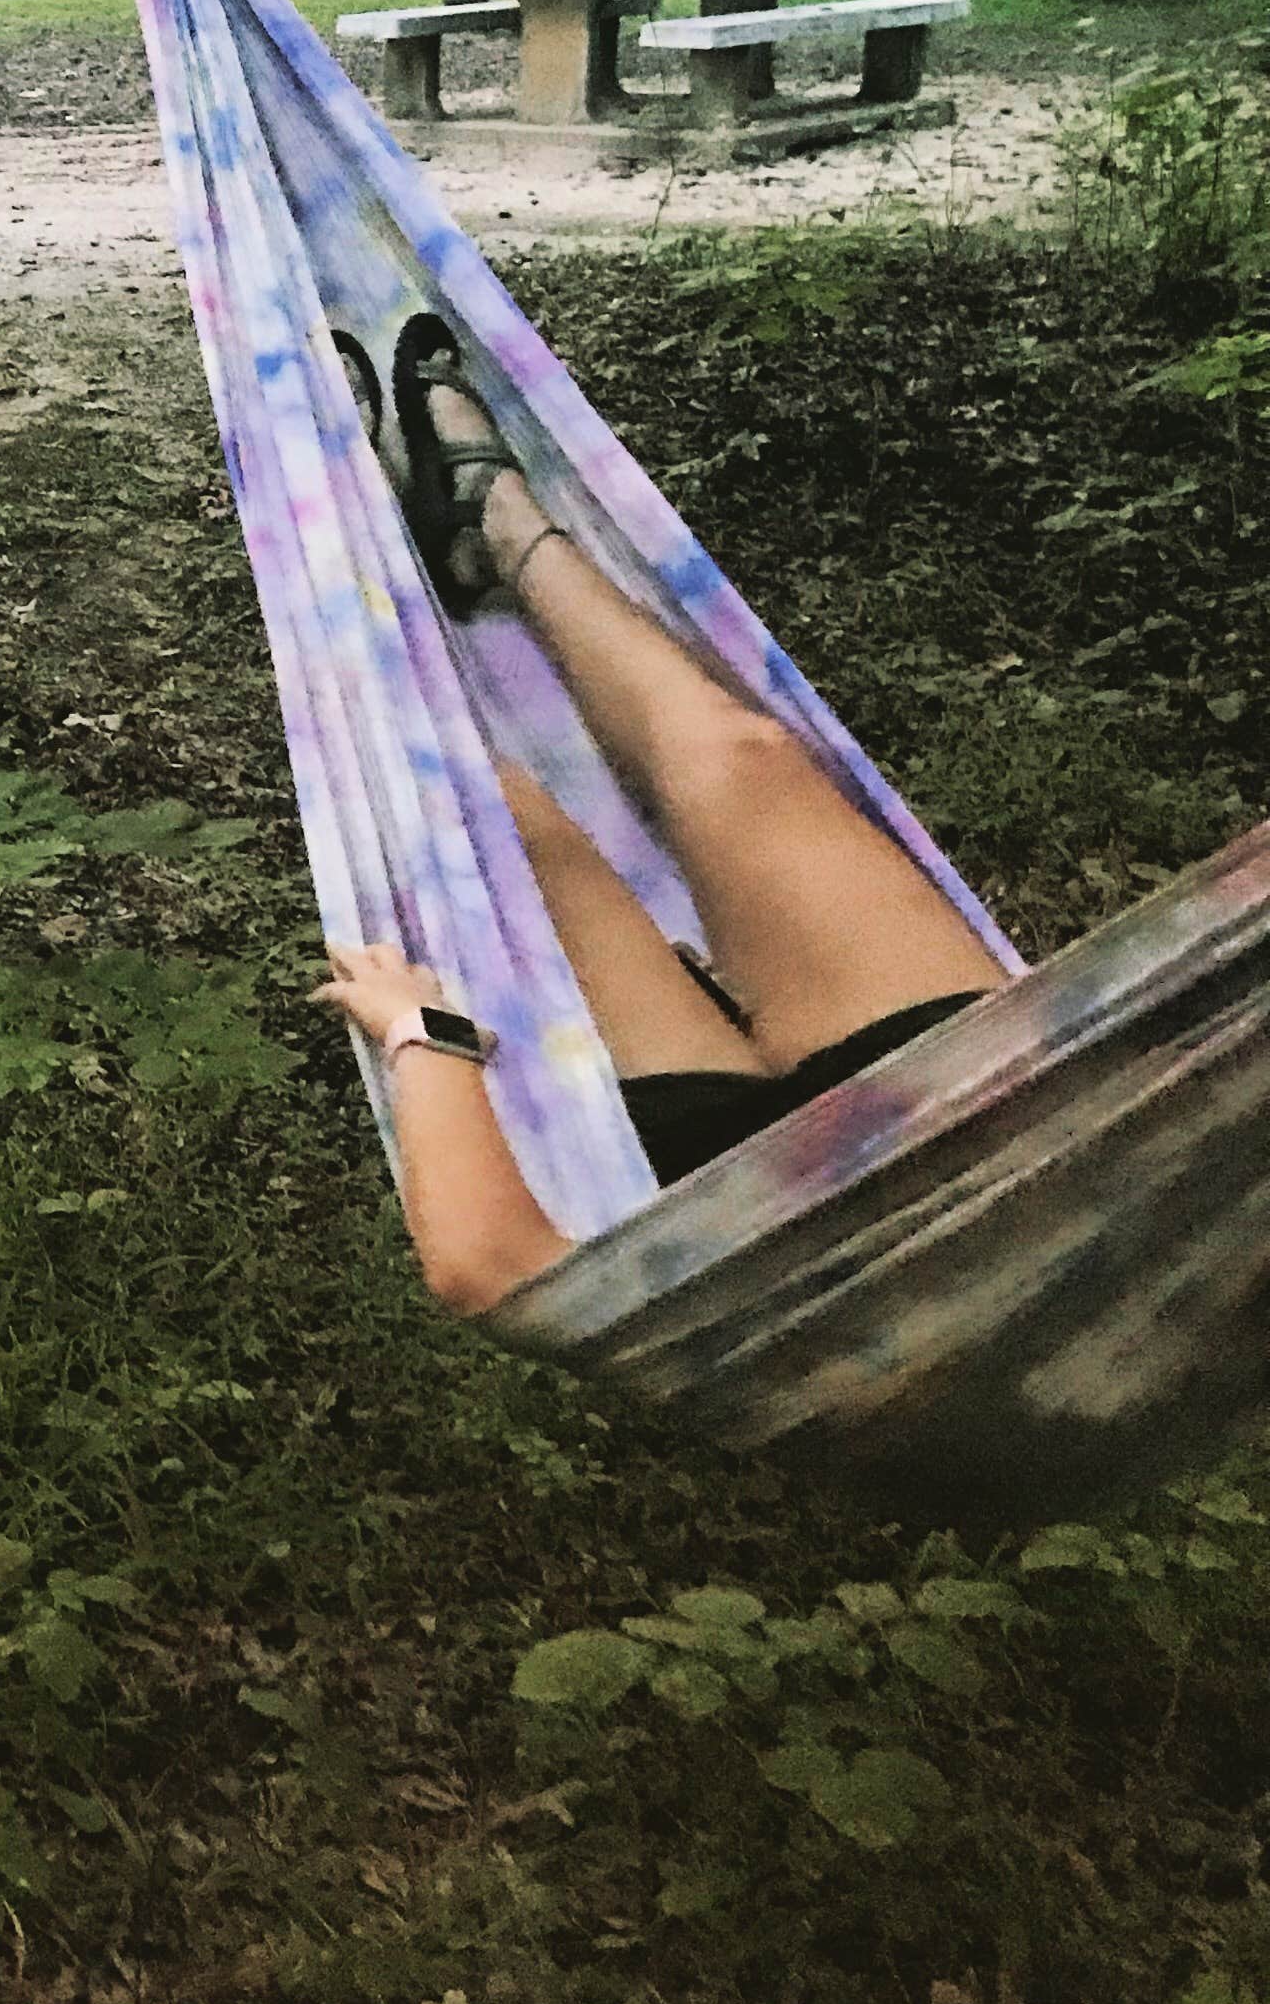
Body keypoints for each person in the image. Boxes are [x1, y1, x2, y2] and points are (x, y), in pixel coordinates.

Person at [309, 321, 1006, 1315]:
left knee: (487, 825)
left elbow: (484, 1265)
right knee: (742, 755)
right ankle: (494, 517)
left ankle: (362, 569)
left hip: (732, 1233)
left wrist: (421, 1031)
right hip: (1006, 1125)